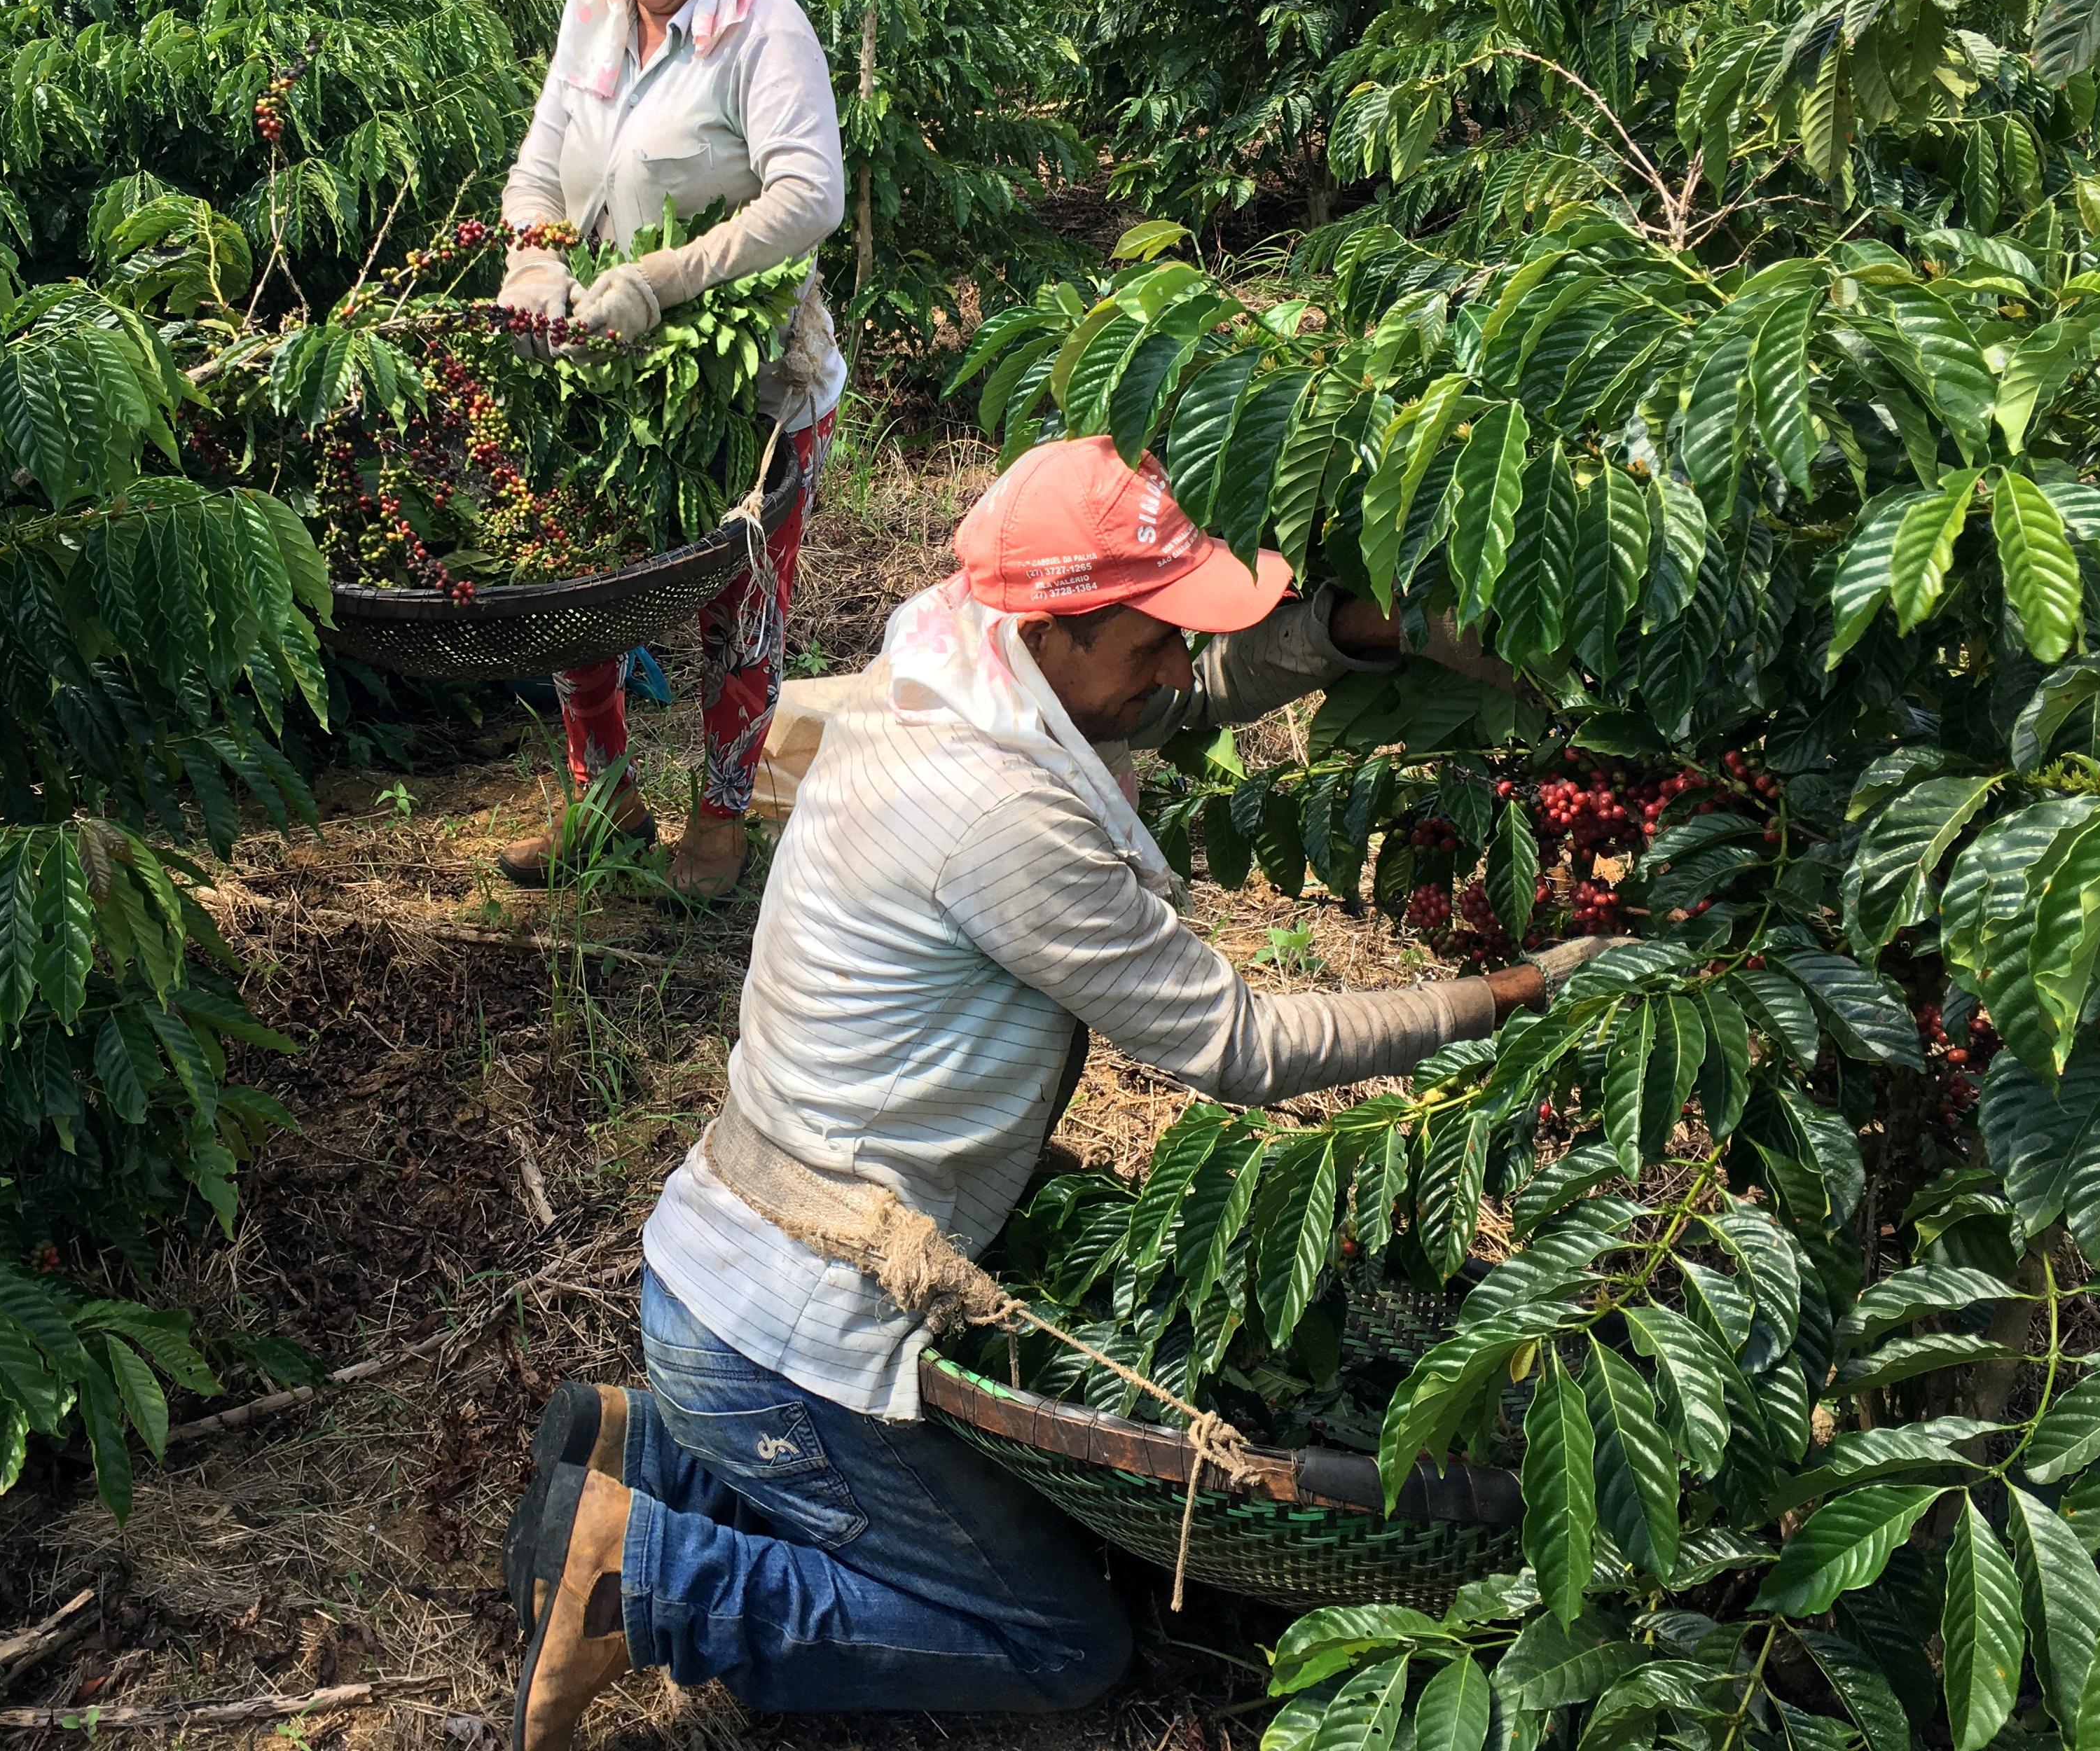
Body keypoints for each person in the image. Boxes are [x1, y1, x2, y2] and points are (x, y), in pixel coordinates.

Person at [499, 436, 1615, 1747]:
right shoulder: (997, 815)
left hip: (726, 1257)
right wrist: (1510, 995)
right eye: (1147, 638)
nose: (1168, 667)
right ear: (1062, 629)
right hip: (790, 1330)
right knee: (1057, 1641)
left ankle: (659, 1449)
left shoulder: (955, 660)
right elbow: (1239, 1047)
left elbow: (1179, 694)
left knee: (1014, 1554)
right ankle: (652, 1580)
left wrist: (1355, 632)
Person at [493, 0, 846, 900]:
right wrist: (535, 261)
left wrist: (662, 277)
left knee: (736, 603)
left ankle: (722, 813)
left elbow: (809, 197)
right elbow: (539, 171)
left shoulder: (761, 28)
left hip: (749, 388)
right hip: (601, 373)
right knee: (576, 582)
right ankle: (603, 794)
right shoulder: (597, 30)